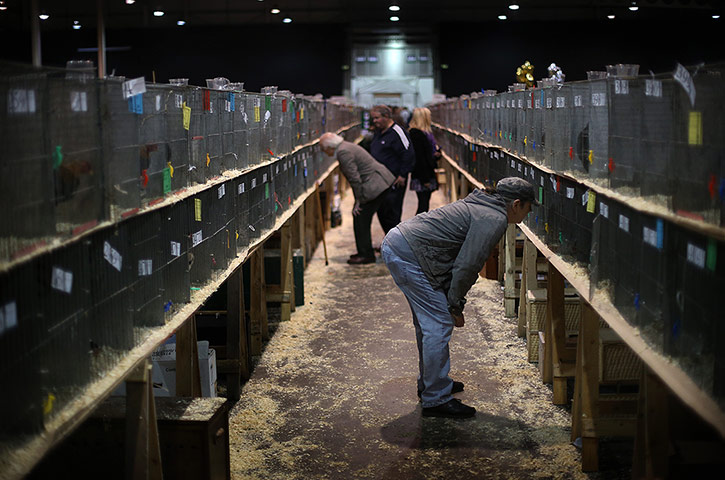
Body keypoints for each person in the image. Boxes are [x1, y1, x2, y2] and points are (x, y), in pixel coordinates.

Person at [381, 177, 538, 418]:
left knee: (429, 323)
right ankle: (435, 399)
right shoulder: (493, 219)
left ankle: (432, 382)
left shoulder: (484, 204)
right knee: (439, 323)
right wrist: (455, 305)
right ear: (516, 204)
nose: (526, 215)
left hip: (403, 245)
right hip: (409, 254)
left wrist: (453, 301)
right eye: (528, 208)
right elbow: (466, 266)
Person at [320, 132, 396, 265]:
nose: (323, 152)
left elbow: (354, 179)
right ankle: (395, 248)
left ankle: (365, 254)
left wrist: (359, 201)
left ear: (329, 147)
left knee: (360, 216)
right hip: (382, 181)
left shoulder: (343, 153)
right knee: (386, 217)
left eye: (323, 148)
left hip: (375, 184)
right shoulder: (346, 146)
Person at [369, 105, 416, 234]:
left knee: (392, 213)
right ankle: (388, 241)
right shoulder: (379, 133)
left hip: (394, 180)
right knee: (382, 212)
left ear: (386, 117)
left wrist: (403, 175)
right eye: (373, 118)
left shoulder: (398, 132)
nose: (375, 121)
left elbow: (408, 154)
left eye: (377, 118)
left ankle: (396, 245)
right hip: (380, 180)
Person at [408, 107, 441, 214]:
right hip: (423, 175)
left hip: (426, 173)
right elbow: (420, 159)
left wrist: (436, 155)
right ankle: (417, 228)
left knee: (424, 203)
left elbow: (427, 154)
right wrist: (425, 179)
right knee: (423, 206)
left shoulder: (424, 133)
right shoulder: (416, 134)